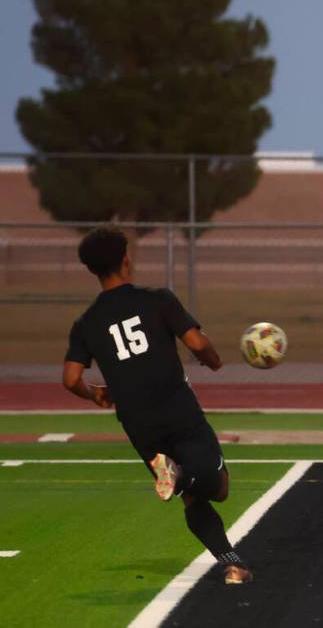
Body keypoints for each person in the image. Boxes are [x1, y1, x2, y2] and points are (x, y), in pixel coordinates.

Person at [62, 226, 253, 584]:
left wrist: (95, 393)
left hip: (138, 422)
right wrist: (212, 360)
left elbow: (71, 378)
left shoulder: (86, 323)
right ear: (126, 260)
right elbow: (196, 343)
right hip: (176, 408)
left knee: (191, 499)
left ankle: (234, 564)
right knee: (218, 486)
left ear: (92, 270)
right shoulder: (158, 299)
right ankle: (182, 476)